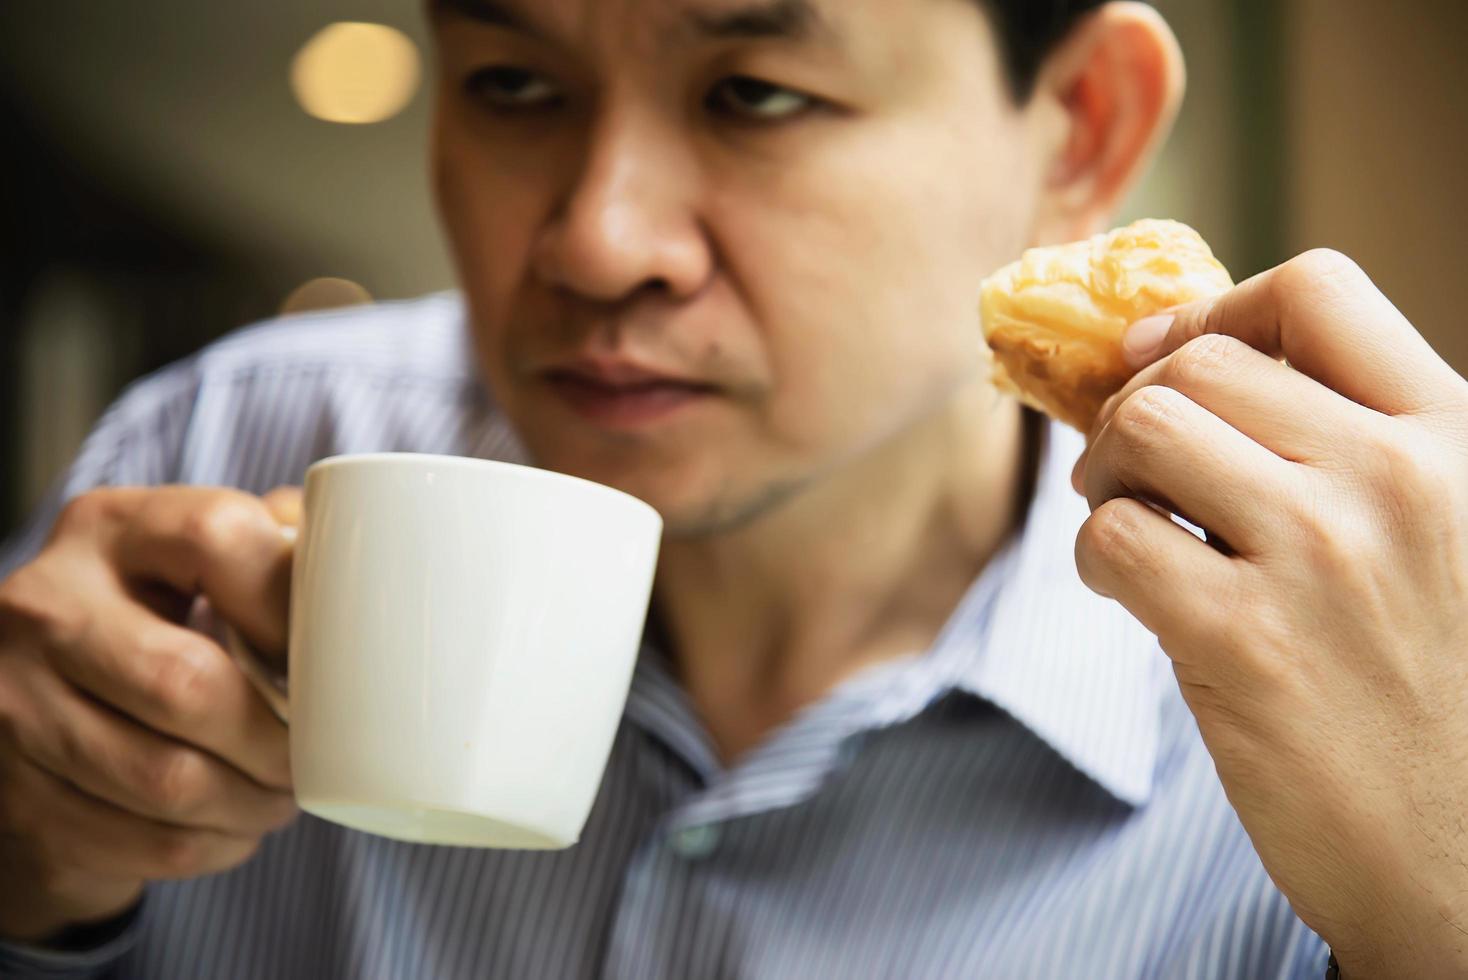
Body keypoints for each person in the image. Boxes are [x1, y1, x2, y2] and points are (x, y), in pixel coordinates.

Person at [2, 0, 1465, 976]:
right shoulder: (221, 449)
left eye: (755, 93)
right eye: (512, 84)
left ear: (1080, 124)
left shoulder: (1357, 687)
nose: (596, 240)